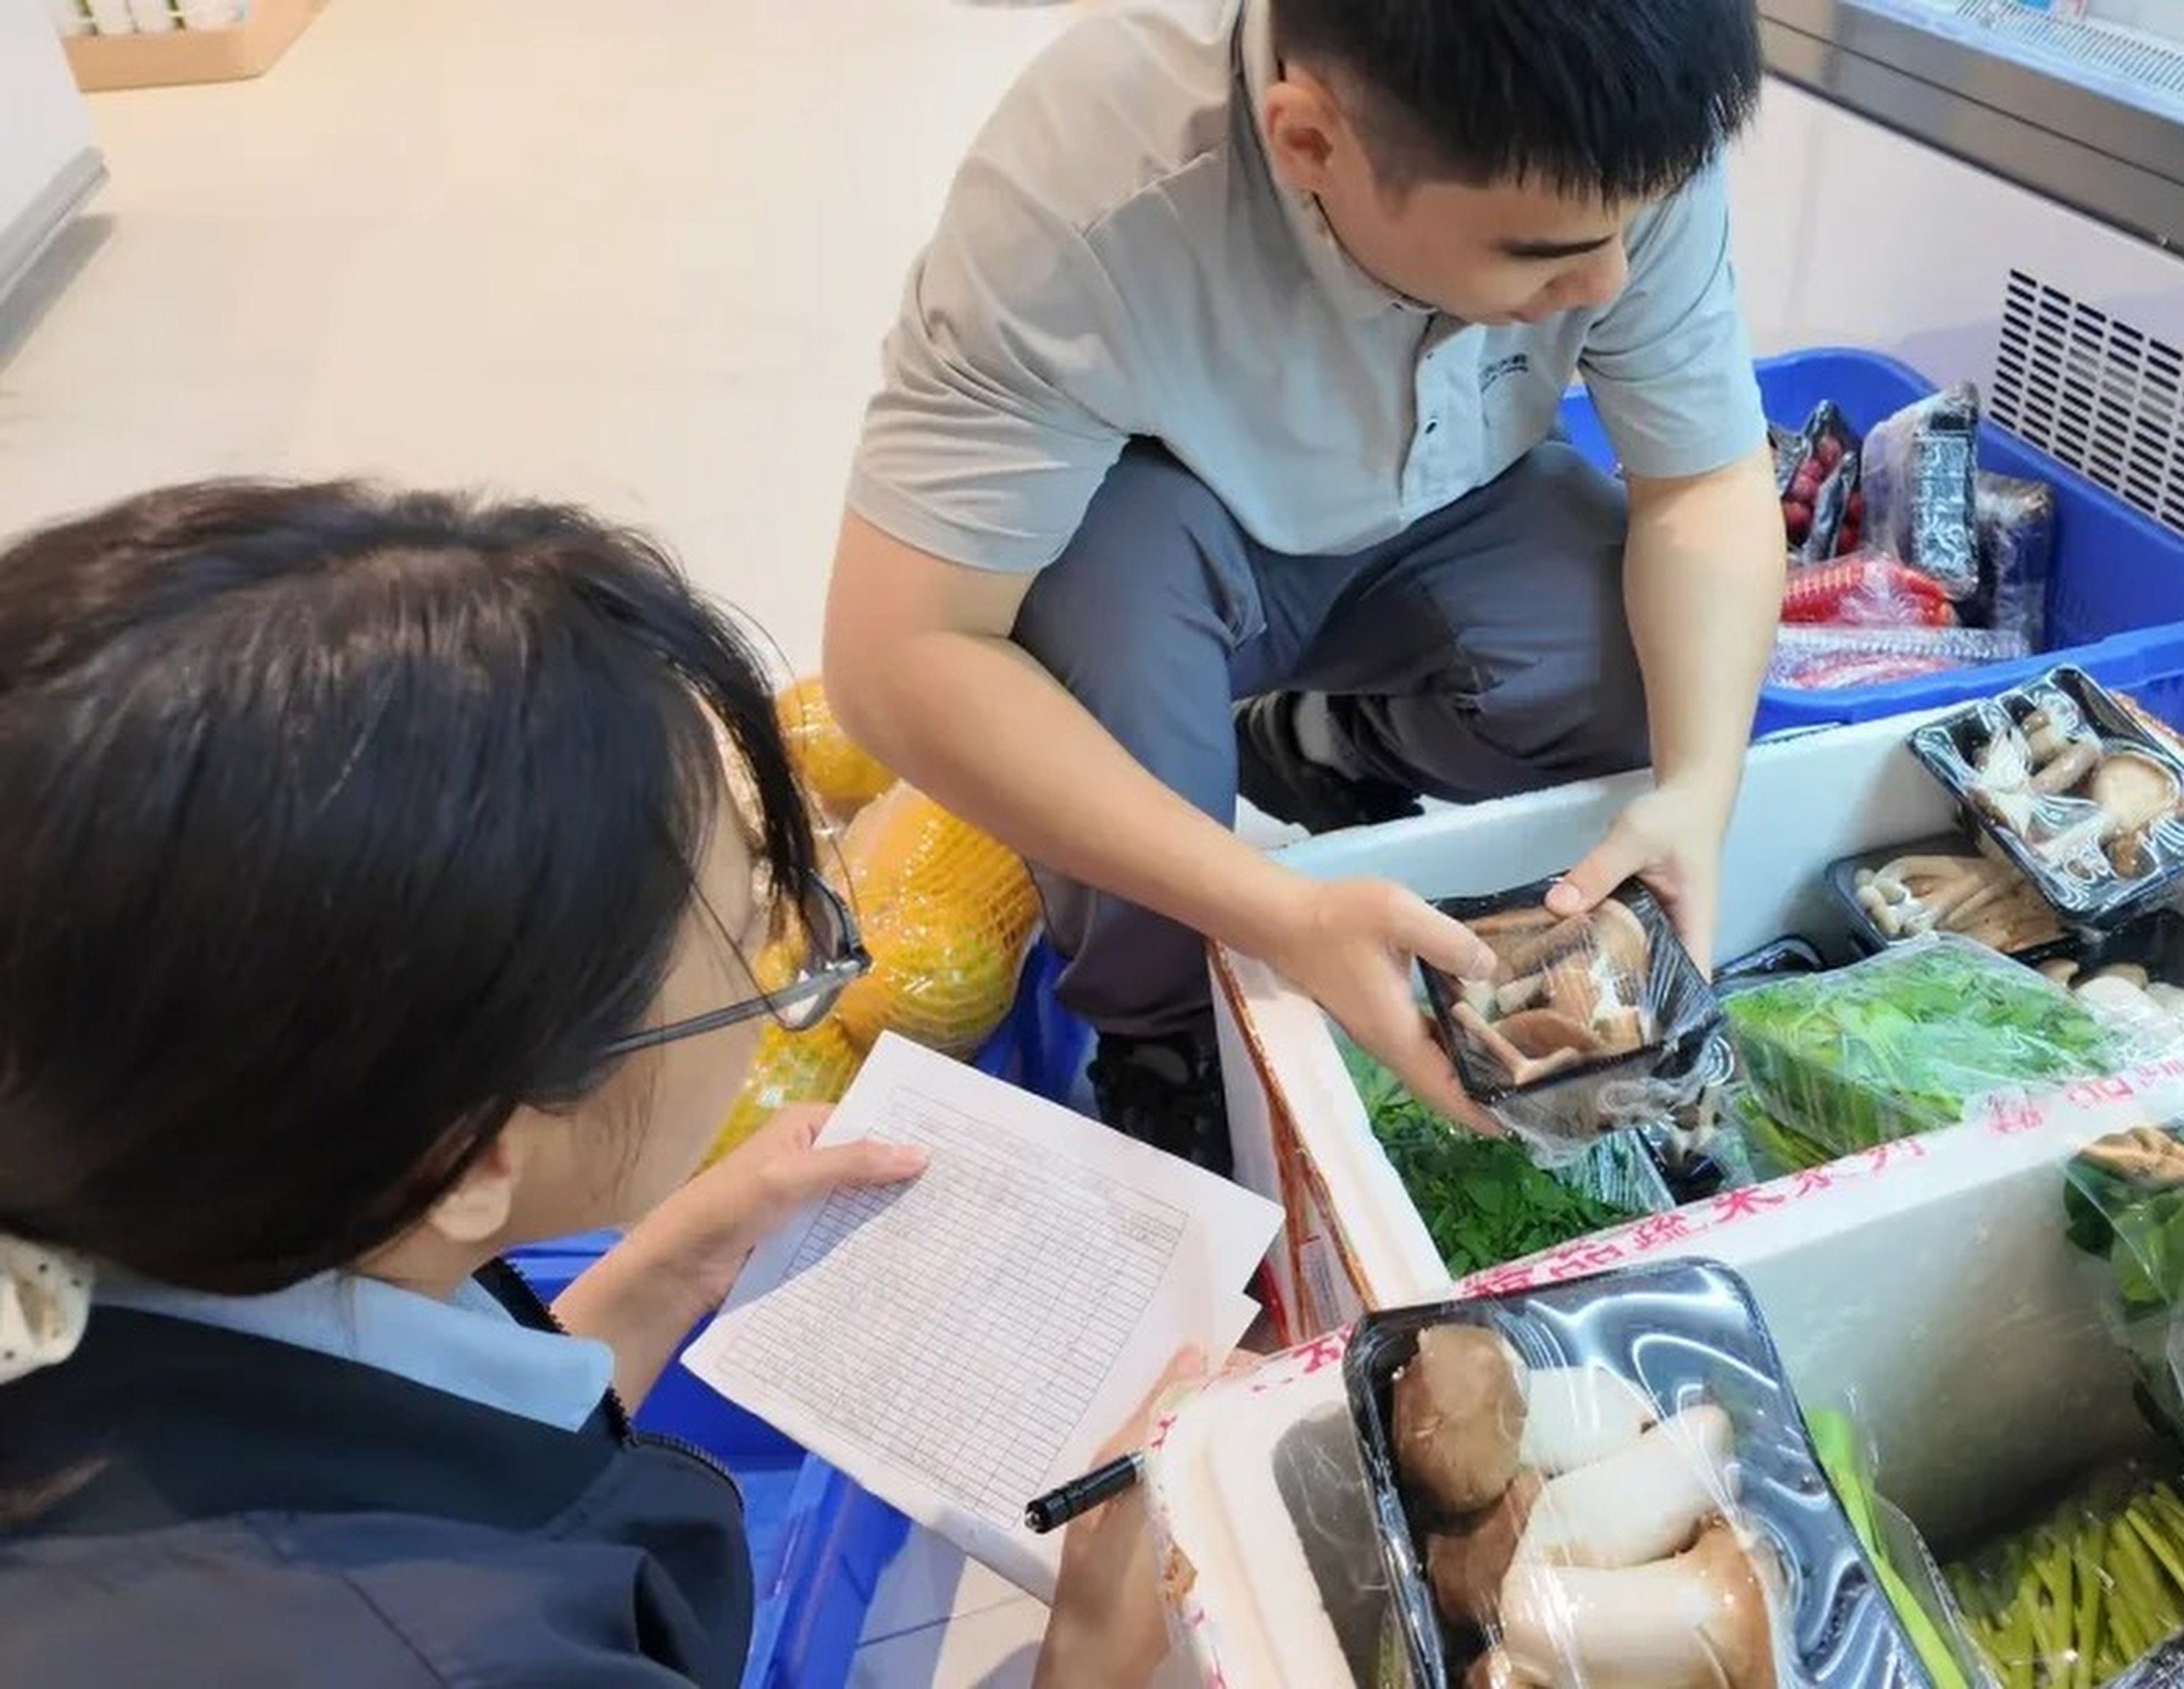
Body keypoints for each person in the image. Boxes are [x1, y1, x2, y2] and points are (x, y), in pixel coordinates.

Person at [0, 481, 1179, 1687]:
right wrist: (1088, 1654)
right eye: (753, 942)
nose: (785, 962)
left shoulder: (124, 1218)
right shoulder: (474, 1654)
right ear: (469, 1160)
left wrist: (654, 1277)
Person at [822, 0, 1783, 1170]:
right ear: (1311, 143)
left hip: (1445, 499)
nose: (1608, 280)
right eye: (1541, 253)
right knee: (1111, 722)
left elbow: (1705, 489)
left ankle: (1325, 745)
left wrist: (1699, 787)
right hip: (1161, 533)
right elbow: (899, 655)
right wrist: (1274, 913)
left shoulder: (1610, 131)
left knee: (1645, 667)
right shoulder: (1080, 202)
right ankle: (1163, 1039)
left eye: (1637, 226)